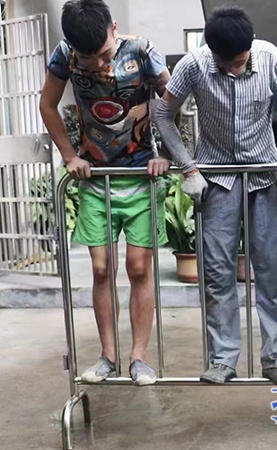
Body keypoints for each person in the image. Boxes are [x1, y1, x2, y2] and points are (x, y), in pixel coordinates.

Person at [154, 6, 277, 384]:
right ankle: (223, 359)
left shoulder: (270, 57)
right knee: (217, 272)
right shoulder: (194, 65)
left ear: (250, 45)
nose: (236, 70)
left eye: (241, 62)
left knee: (274, 270)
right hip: (216, 179)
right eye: (228, 65)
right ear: (212, 53)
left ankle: (274, 359)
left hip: (263, 176)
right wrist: (187, 167)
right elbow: (162, 114)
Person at [40, 0, 171, 386]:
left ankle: (139, 357)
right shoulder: (64, 55)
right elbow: (47, 104)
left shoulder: (142, 51)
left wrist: (165, 153)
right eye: (89, 58)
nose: (98, 65)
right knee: (101, 269)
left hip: (141, 174)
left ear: (114, 28)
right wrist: (69, 155)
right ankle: (108, 357)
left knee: (139, 268)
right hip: (96, 178)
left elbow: (173, 98)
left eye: (103, 54)